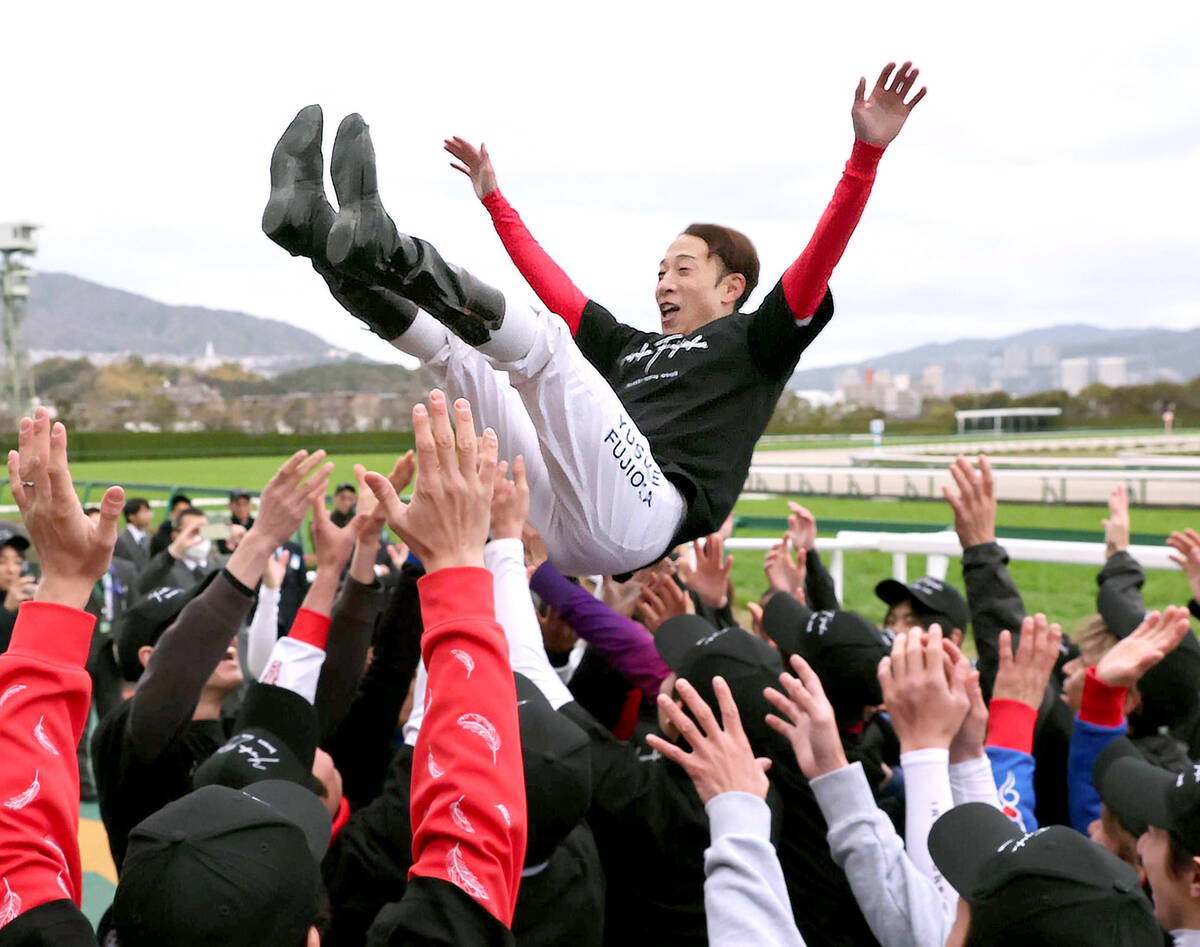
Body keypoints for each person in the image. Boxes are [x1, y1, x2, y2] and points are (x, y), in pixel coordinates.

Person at [265, 62, 925, 575]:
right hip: (559, 505)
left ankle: (388, 247)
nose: (664, 281)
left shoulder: (757, 341)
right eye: (661, 269)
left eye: (683, 268)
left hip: (643, 516)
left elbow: (815, 265)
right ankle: (317, 236)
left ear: (733, 287)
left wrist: (865, 158)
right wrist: (495, 199)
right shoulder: (630, 346)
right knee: (460, 353)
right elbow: (554, 285)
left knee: (546, 347)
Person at [134, 505, 225, 594]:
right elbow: (141, 586)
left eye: (204, 531)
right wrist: (173, 550)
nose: (199, 538)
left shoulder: (221, 566)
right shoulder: (165, 572)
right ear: (175, 536)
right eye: (193, 532)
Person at [0, 528, 34, 652]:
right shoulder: (11, 602)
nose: (11, 569)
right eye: (2, 562)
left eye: (17, 562)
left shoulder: (22, 595)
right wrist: (7, 609)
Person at [113, 497, 153, 570]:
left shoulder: (150, 537)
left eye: (148, 511)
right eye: (144, 511)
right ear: (131, 516)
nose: (148, 515)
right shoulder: (120, 539)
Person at [149, 491, 191, 557]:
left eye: (187, 512)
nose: (184, 515)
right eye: (180, 512)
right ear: (172, 513)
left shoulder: (194, 531)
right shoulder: (161, 534)